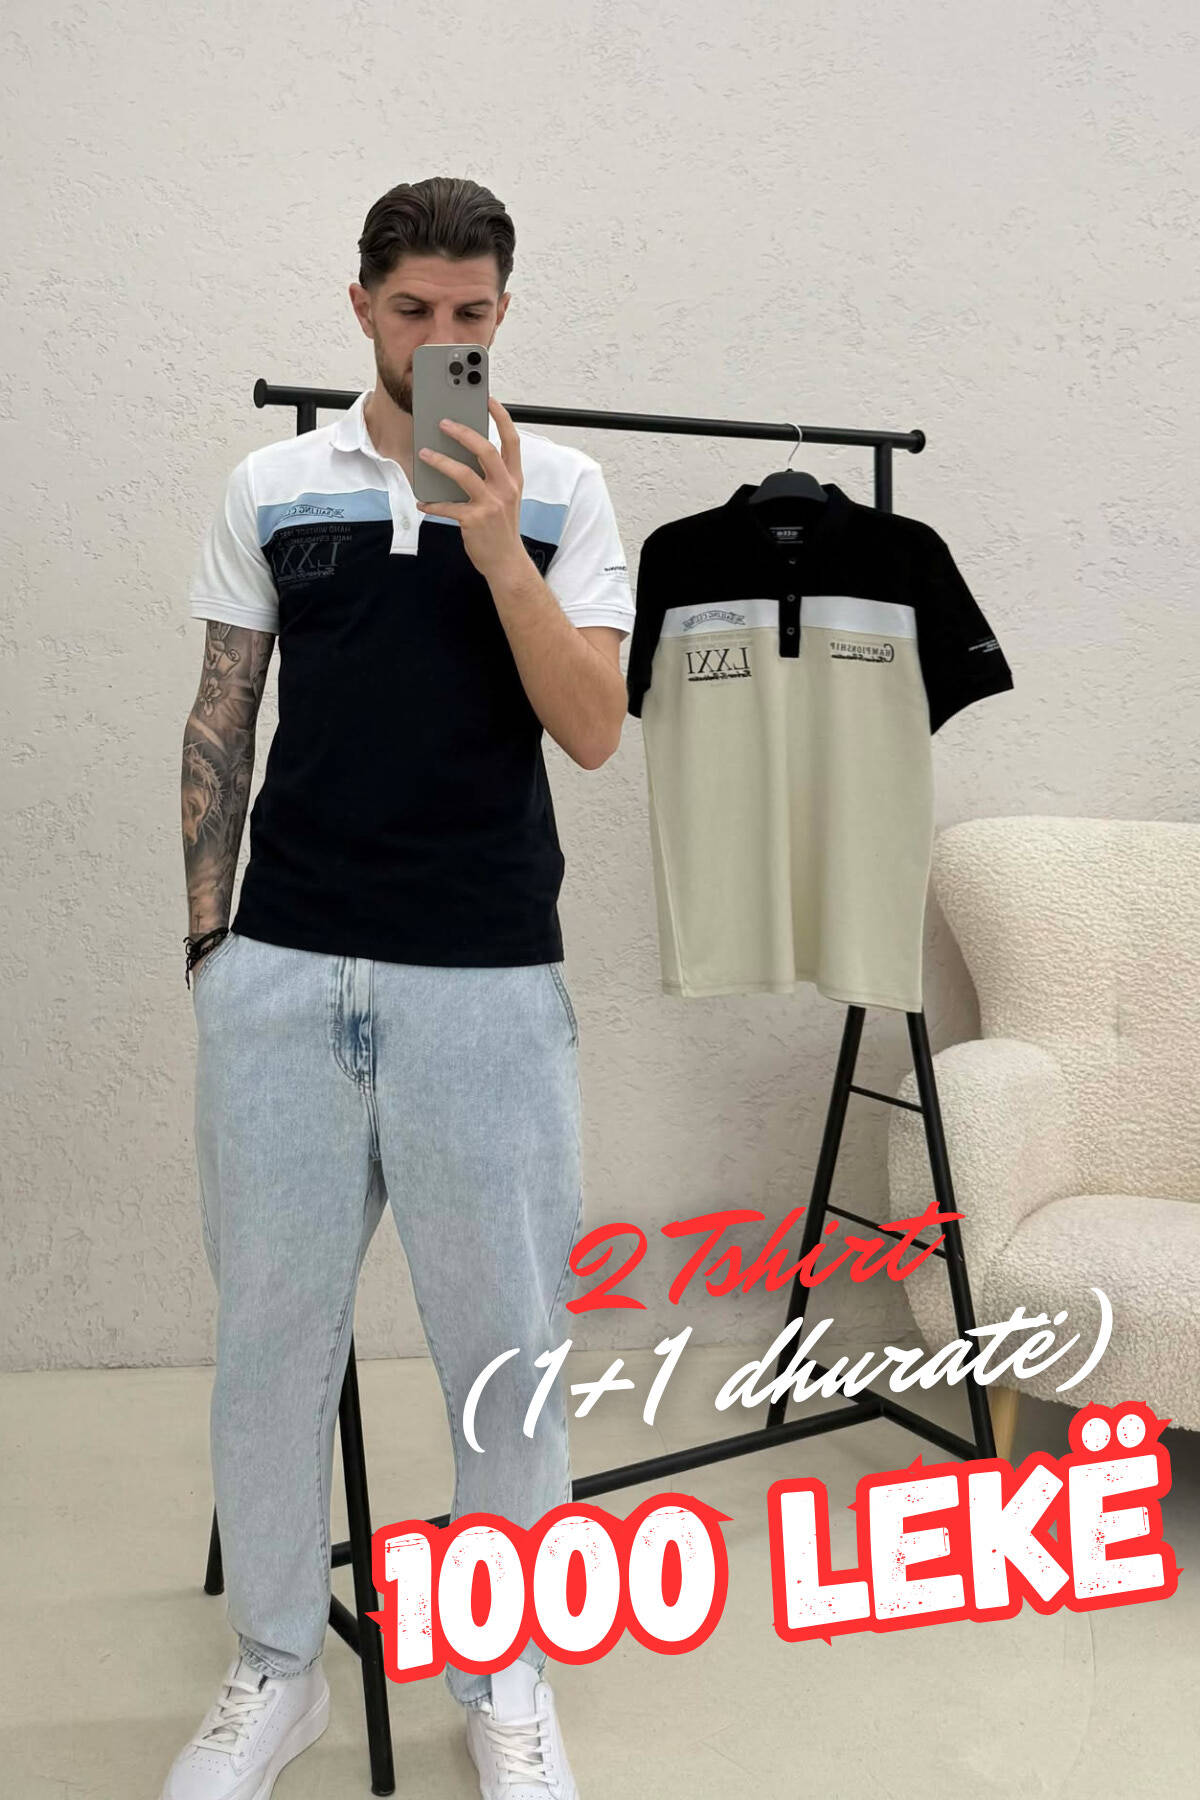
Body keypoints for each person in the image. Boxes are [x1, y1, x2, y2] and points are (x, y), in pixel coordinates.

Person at [162, 176, 635, 1800]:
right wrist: (211, 947)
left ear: (504, 313)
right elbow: (220, 714)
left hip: (487, 978)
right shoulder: (274, 485)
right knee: (271, 1340)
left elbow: (593, 727)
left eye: (471, 313)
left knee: (506, 1341)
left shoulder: (567, 491)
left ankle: (506, 1674)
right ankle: (276, 1663)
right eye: (415, 309)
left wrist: (499, 547)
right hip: (285, 968)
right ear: (362, 305)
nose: (443, 335)